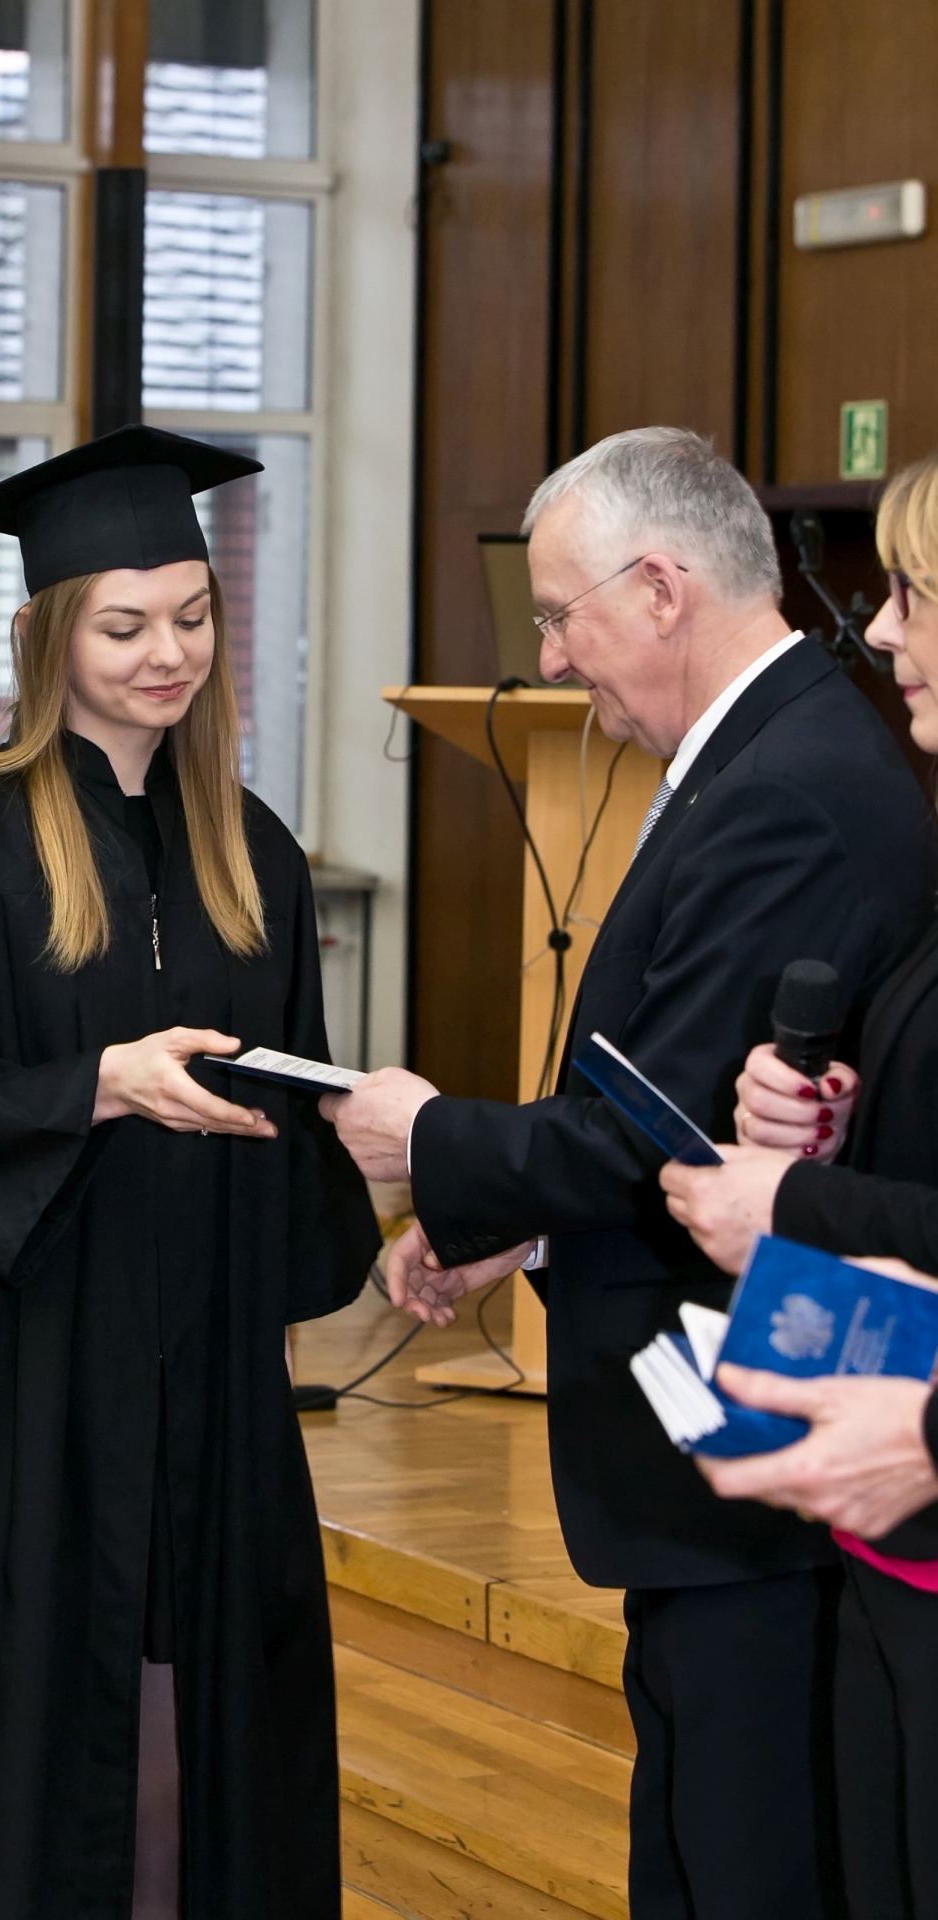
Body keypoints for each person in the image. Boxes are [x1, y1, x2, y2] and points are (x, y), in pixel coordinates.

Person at [322, 427, 938, 1920]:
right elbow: (701, 1101)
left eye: (559, 615)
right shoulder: (758, 752)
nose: (546, 657)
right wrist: (515, 1229)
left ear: (660, 590)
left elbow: (659, 1136)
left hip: (773, 1463)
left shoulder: (792, 777)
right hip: (728, 1455)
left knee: (750, 1864)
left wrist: (435, 1140)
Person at [0, 426, 379, 1920]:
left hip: (206, 1361)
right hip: (21, 1370)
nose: (168, 655)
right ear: (49, 636)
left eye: (191, 618)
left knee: (210, 1678)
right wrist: (95, 1085)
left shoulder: (251, 853)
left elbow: (290, 1102)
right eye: (123, 626)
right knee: (20, 1694)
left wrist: (400, 1194)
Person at [661, 447, 938, 1920]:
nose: (878, 631)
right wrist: (830, 1122)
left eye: (913, 594)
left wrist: (793, 1205)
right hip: (893, 1544)